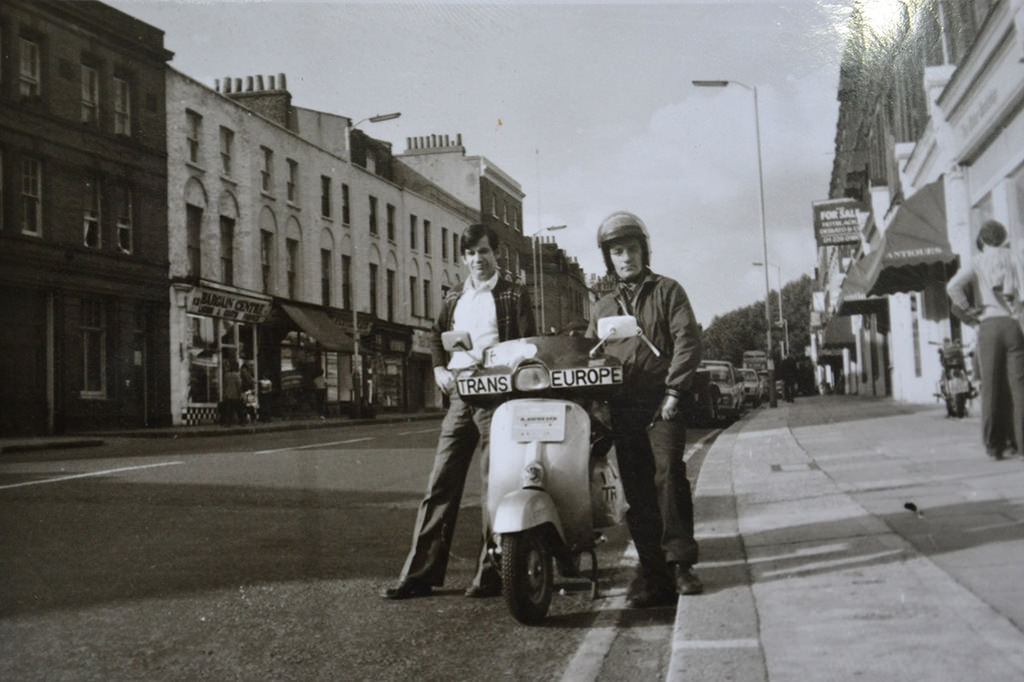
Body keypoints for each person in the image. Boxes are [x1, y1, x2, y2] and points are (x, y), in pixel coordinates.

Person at [381, 223, 536, 600]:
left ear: (495, 254)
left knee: (494, 486)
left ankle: (492, 573)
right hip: (460, 398)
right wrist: (437, 369)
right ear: (463, 258)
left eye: (483, 251)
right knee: (441, 484)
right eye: (470, 254)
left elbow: (528, 345)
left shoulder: (513, 295)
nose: (477, 260)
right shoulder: (454, 297)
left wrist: (498, 361)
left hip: (496, 399)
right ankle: (419, 574)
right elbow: (436, 336)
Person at [586, 211, 703, 608]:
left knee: (669, 476)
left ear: (643, 250)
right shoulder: (601, 307)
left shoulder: (668, 291)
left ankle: (681, 564)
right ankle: (654, 574)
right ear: (609, 258)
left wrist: (674, 392)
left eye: (631, 249)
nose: (625, 258)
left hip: (662, 403)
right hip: (623, 407)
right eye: (617, 251)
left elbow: (687, 339)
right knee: (636, 491)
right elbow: (590, 357)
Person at [947, 219, 1024, 459]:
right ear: (1002, 237)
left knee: (990, 387)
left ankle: (993, 445)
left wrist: (968, 310)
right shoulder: (1014, 257)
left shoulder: (977, 261)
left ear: (983, 239)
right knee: (1019, 388)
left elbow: (953, 286)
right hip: (1012, 324)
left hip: (988, 325)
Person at [220, 360, 244, 426]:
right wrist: (240, 394)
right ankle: (242, 421)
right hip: (235, 395)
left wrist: (224, 394)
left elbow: (224, 385)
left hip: (228, 394)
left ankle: (228, 423)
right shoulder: (237, 375)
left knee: (229, 410)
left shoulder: (226, 375)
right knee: (239, 409)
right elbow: (239, 385)